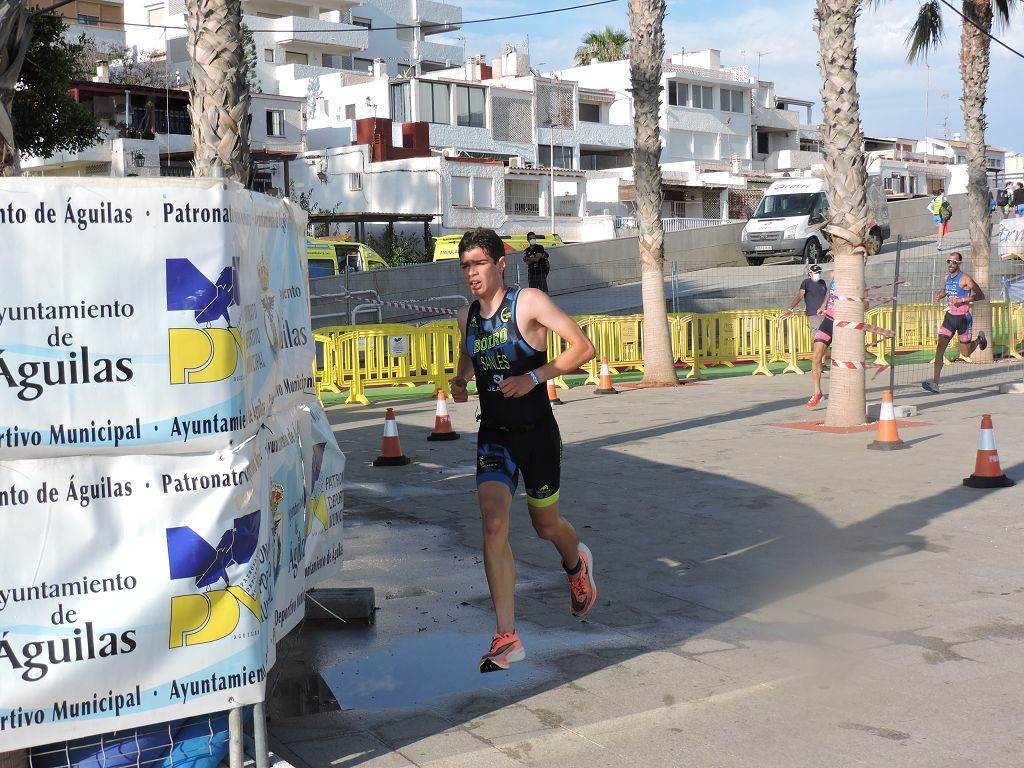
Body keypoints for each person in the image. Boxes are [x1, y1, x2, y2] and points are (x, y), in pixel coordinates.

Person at [449, 227, 597, 673]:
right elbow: (469, 354)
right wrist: (459, 380)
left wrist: (534, 378)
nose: (471, 273)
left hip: (537, 435)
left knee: (545, 525)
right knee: (494, 523)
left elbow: (583, 348)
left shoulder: (528, 303)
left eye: (477, 264)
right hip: (494, 435)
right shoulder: (467, 316)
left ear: (499, 264)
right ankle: (507, 635)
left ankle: (576, 564)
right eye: (464, 267)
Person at [922, 251, 987, 394]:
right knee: (940, 349)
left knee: (966, 352)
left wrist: (961, 300)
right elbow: (946, 290)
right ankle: (935, 383)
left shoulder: (966, 279)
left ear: (959, 264)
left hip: (964, 318)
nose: (951, 265)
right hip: (950, 318)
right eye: (949, 262)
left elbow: (980, 295)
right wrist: (940, 295)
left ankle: (979, 340)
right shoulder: (946, 278)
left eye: (954, 262)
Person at [806, 271, 836, 409]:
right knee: (816, 355)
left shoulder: (855, 278)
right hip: (828, 321)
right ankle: (817, 392)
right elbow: (829, 293)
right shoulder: (834, 276)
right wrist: (824, 305)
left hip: (843, 324)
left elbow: (865, 303)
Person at [783, 263, 829, 337]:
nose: (818, 274)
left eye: (819, 272)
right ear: (810, 273)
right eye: (816, 273)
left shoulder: (822, 282)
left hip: (825, 312)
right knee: (818, 334)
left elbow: (827, 294)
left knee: (826, 334)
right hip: (814, 313)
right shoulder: (806, 282)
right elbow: (800, 296)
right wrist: (790, 308)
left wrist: (826, 307)